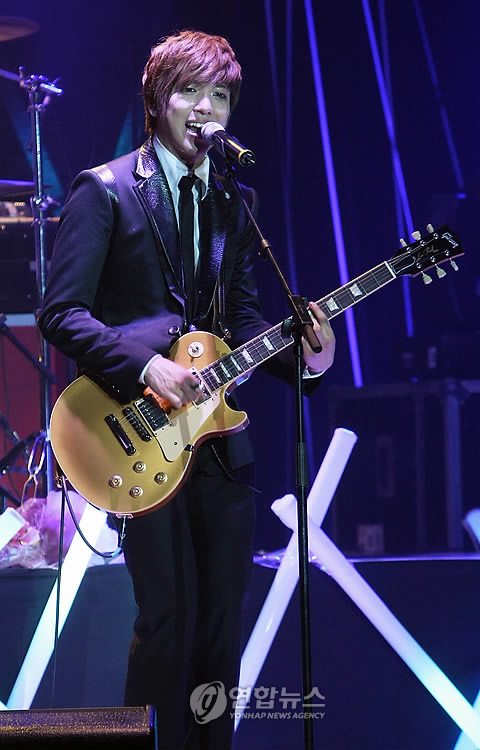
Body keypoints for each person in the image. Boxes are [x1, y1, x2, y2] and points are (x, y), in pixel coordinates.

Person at [38, 29, 335, 750]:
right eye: (191, 92)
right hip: (137, 427)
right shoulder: (106, 190)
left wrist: (308, 357)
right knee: (167, 621)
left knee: (221, 628)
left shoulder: (237, 200)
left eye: (221, 96)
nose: (207, 109)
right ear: (157, 100)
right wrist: (147, 366)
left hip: (218, 441)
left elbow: (242, 322)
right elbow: (61, 312)